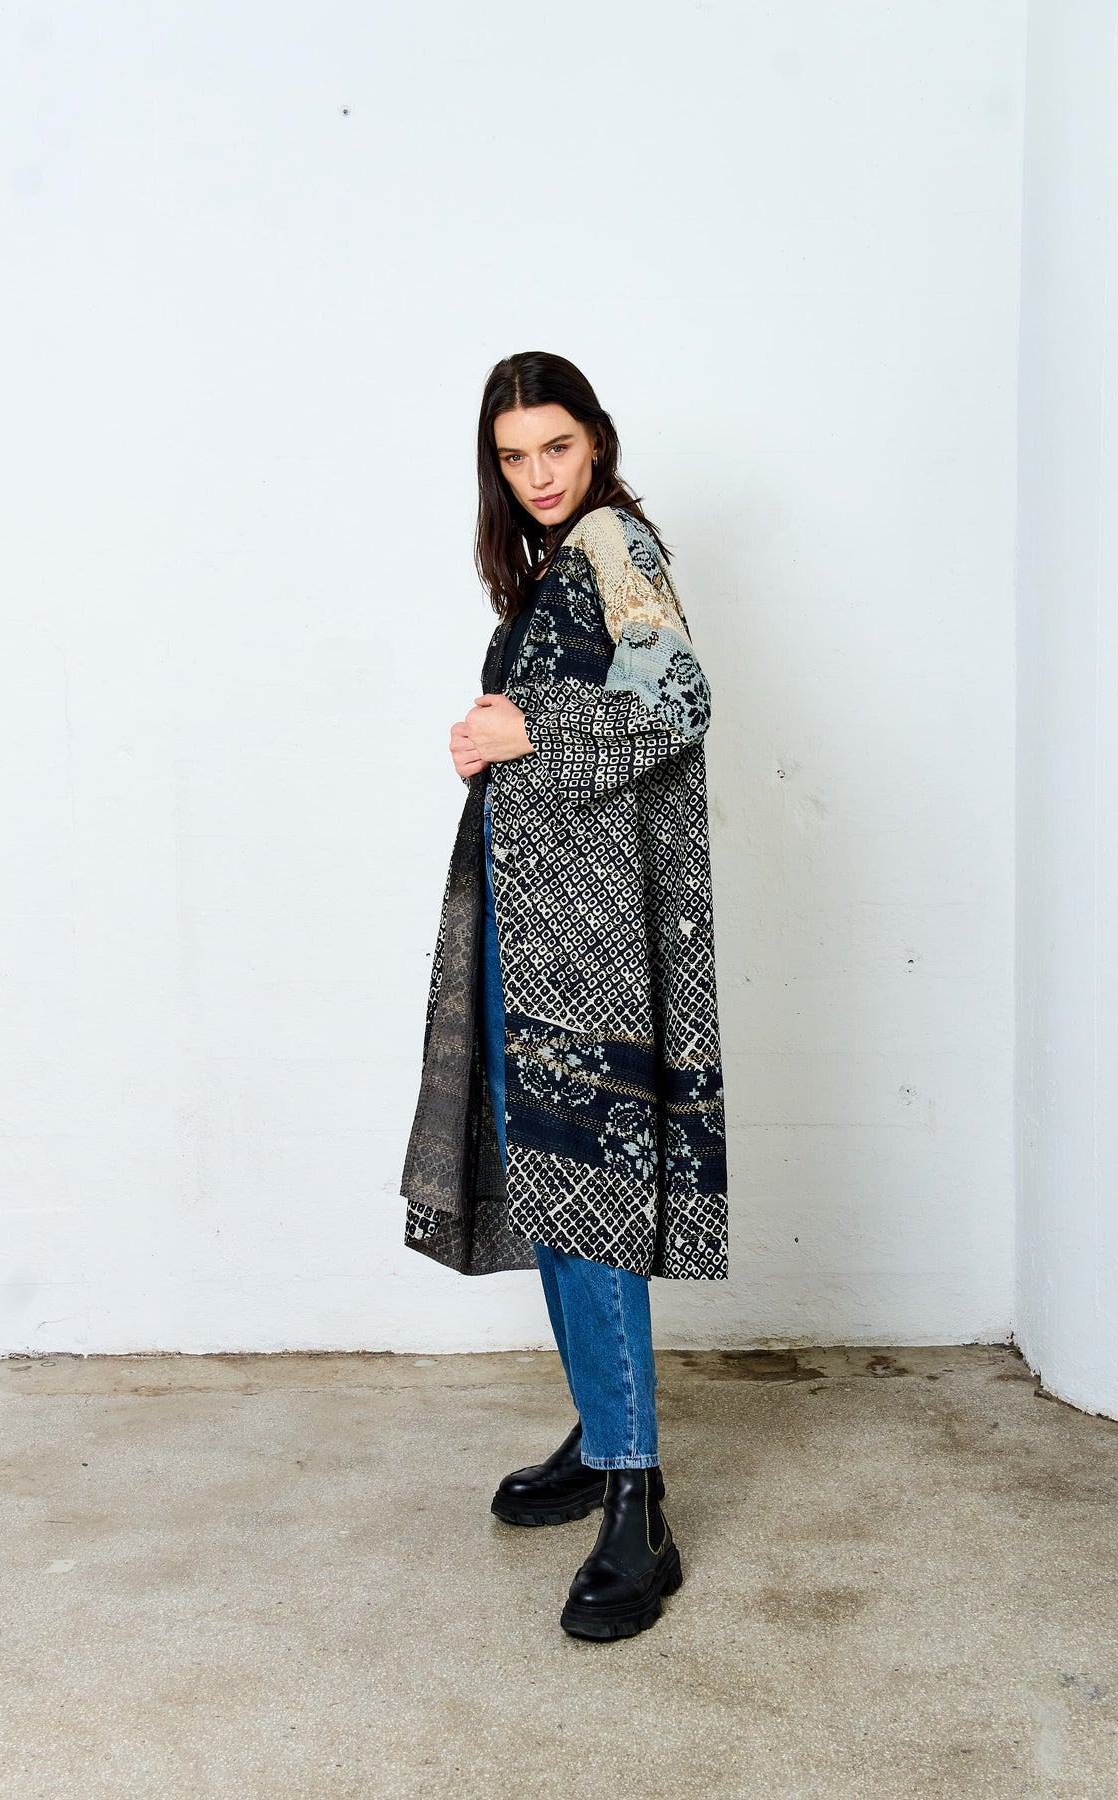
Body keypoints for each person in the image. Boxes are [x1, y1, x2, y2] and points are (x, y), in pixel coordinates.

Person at [400, 351, 728, 1642]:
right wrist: (493, 747)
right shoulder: (549, 568)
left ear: (597, 442)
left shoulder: (614, 544)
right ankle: (600, 1440)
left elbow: (681, 701)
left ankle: (639, 1503)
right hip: (531, 923)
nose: (539, 475)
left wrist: (527, 733)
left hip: (587, 947)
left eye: (557, 447)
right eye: (514, 455)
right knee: (553, 1192)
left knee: (591, 1206)